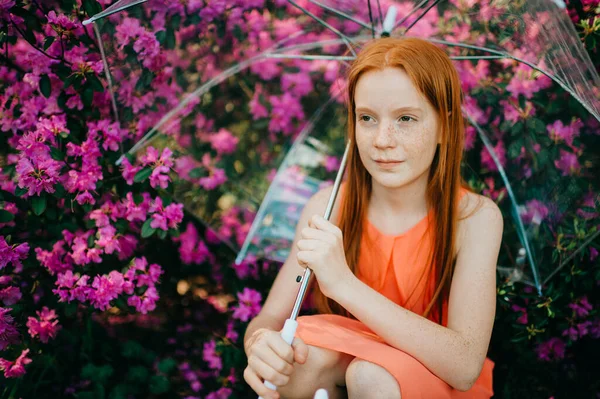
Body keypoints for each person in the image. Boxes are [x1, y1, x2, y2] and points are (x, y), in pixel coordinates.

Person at [243, 37, 503, 399]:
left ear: (444, 126)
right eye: (367, 118)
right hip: (341, 369)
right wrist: (260, 344)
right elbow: (270, 318)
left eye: (406, 119)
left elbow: (464, 365)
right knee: (299, 360)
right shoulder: (328, 206)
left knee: (371, 375)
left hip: (430, 380)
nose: (382, 139)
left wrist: (343, 285)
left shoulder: (474, 218)